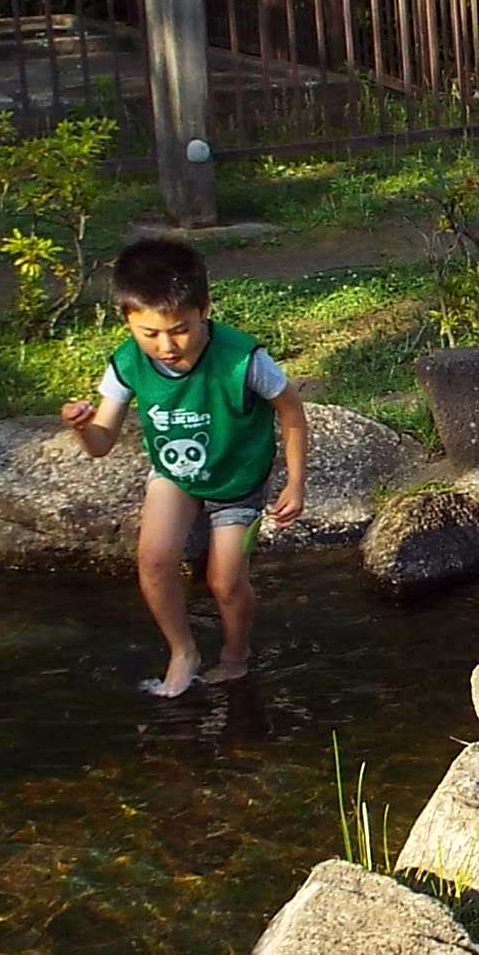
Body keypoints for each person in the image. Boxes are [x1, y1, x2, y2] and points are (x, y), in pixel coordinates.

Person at [62, 234, 308, 696]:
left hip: (238, 481)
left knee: (226, 582)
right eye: (149, 333)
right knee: (154, 561)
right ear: (128, 321)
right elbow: (101, 443)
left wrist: (295, 483)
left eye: (179, 329)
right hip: (175, 476)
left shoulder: (242, 359)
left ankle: (236, 655)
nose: (167, 345)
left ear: (204, 310)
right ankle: (183, 650)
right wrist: (81, 426)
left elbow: (291, 412)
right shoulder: (126, 364)